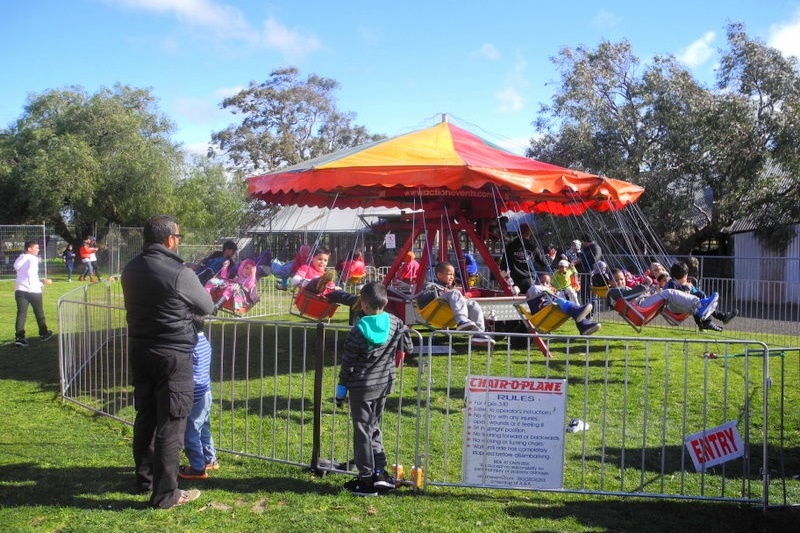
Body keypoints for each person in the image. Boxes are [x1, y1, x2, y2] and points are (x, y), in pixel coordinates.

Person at [121, 214, 215, 509]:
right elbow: (206, 305)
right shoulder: (179, 271)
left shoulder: (131, 268)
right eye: (179, 236)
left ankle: (145, 480)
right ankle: (166, 494)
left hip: (140, 350)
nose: (178, 241)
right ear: (169, 239)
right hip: (172, 354)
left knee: (146, 416)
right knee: (172, 423)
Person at [335, 282, 413, 496]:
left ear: (363, 304)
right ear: (386, 302)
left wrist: (341, 390)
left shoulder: (358, 330)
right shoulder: (396, 322)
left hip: (361, 387)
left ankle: (367, 478)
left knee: (362, 432)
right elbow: (408, 347)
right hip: (384, 383)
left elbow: (348, 364)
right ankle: (379, 471)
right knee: (373, 427)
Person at [178, 317, 219, 480]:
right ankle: (210, 459)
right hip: (206, 392)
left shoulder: (192, 346)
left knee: (191, 431)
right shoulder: (204, 342)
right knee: (204, 427)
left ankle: (197, 467)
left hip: (195, 395)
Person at [415, 261, 495, 345]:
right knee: (455, 292)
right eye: (449, 274)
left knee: (473, 304)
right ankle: (462, 321)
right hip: (433, 312)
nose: (452, 277)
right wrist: (439, 292)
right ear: (439, 275)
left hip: (447, 313)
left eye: (453, 275)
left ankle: (478, 334)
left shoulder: (450, 289)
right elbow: (421, 298)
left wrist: (463, 300)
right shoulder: (430, 284)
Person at [606, 268, 719, 327]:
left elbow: (631, 295)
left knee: (669, 300)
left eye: (621, 279)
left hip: (640, 306)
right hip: (638, 309)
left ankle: (698, 309)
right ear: (610, 282)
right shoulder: (613, 292)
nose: (620, 282)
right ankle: (699, 304)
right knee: (669, 292)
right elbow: (626, 297)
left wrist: (651, 290)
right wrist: (645, 285)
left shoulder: (623, 290)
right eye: (616, 280)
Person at [666, 261, 737, 331]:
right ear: (684, 275)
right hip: (677, 309)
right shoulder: (673, 282)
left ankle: (718, 317)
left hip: (683, 305)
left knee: (700, 295)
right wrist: (686, 289)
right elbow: (675, 296)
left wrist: (686, 288)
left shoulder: (675, 283)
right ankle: (709, 321)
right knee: (698, 301)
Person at [526, 274, 600, 335]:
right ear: (537, 281)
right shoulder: (534, 288)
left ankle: (584, 326)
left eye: (548, 282)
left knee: (568, 306)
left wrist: (552, 290)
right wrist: (549, 289)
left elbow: (552, 293)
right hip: (542, 312)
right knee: (562, 302)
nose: (545, 284)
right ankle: (580, 317)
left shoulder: (544, 291)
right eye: (543, 282)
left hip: (549, 310)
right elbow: (537, 291)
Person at [14, 241, 54, 347]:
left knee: (21, 314)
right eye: (36, 248)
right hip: (33, 290)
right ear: (29, 249)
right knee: (39, 312)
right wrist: (41, 283)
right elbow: (31, 275)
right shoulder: (33, 259)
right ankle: (44, 333)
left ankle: (19, 337)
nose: (38, 249)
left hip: (20, 289)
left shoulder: (20, 257)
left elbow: (18, 269)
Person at [500, 223, 550, 295]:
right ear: (530, 234)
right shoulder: (532, 248)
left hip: (515, 282)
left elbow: (503, 268)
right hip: (529, 281)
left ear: (518, 232)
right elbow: (545, 263)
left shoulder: (509, 247)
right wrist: (551, 258)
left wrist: (508, 282)